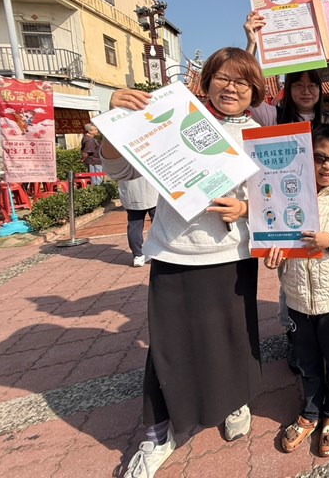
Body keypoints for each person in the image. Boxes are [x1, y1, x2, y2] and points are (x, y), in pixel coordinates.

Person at [103, 47, 265, 478]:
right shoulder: (172, 121)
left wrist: (247, 212)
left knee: (233, 338)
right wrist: (113, 123)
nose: (232, 88)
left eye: (243, 81)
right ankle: (157, 433)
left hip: (231, 256)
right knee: (168, 348)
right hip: (173, 253)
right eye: (223, 78)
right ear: (206, 81)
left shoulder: (260, 135)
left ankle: (233, 403)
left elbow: (280, 201)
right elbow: (119, 172)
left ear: (255, 92)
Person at [264, 124, 329, 457]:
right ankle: (309, 413)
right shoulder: (285, 192)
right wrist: (271, 254)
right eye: (320, 157)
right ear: (307, 157)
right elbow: (271, 235)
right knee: (307, 362)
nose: (327, 166)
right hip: (295, 297)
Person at [118, 176, 158, 267]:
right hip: (152, 192)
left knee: (134, 225)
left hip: (132, 193)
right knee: (158, 223)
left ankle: (138, 255)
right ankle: (159, 251)